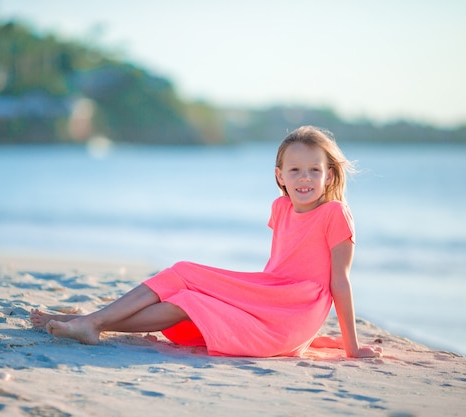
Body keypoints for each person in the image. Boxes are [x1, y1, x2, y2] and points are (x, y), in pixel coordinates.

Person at [30, 126, 382, 358]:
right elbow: (276, 267)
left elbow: (340, 282)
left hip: (294, 309)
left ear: (329, 175)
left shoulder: (335, 212)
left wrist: (350, 348)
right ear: (280, 176)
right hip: (270, 298)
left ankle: (92, 322)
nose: (304, 178)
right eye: (295, 170)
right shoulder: (281, 207)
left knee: (184, 271)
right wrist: (251, 303)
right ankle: (90, 323)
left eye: (314, 170)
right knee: (187, 299)